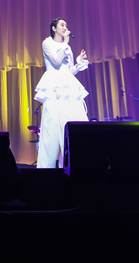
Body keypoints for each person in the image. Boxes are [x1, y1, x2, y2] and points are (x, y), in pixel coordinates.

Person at [34, 18, 89, 169]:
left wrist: (78, 63)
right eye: (62, 25)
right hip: (54, 90)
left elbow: (69, 71)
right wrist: (65, 43)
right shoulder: (47, 43)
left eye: (66, 25)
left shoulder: (67, 47)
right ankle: (47, 170)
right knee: (52, 129)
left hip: (68, 89)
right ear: (54, 28)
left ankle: (77, 166)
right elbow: (56, 62)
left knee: (75, 125)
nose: (65, 27)